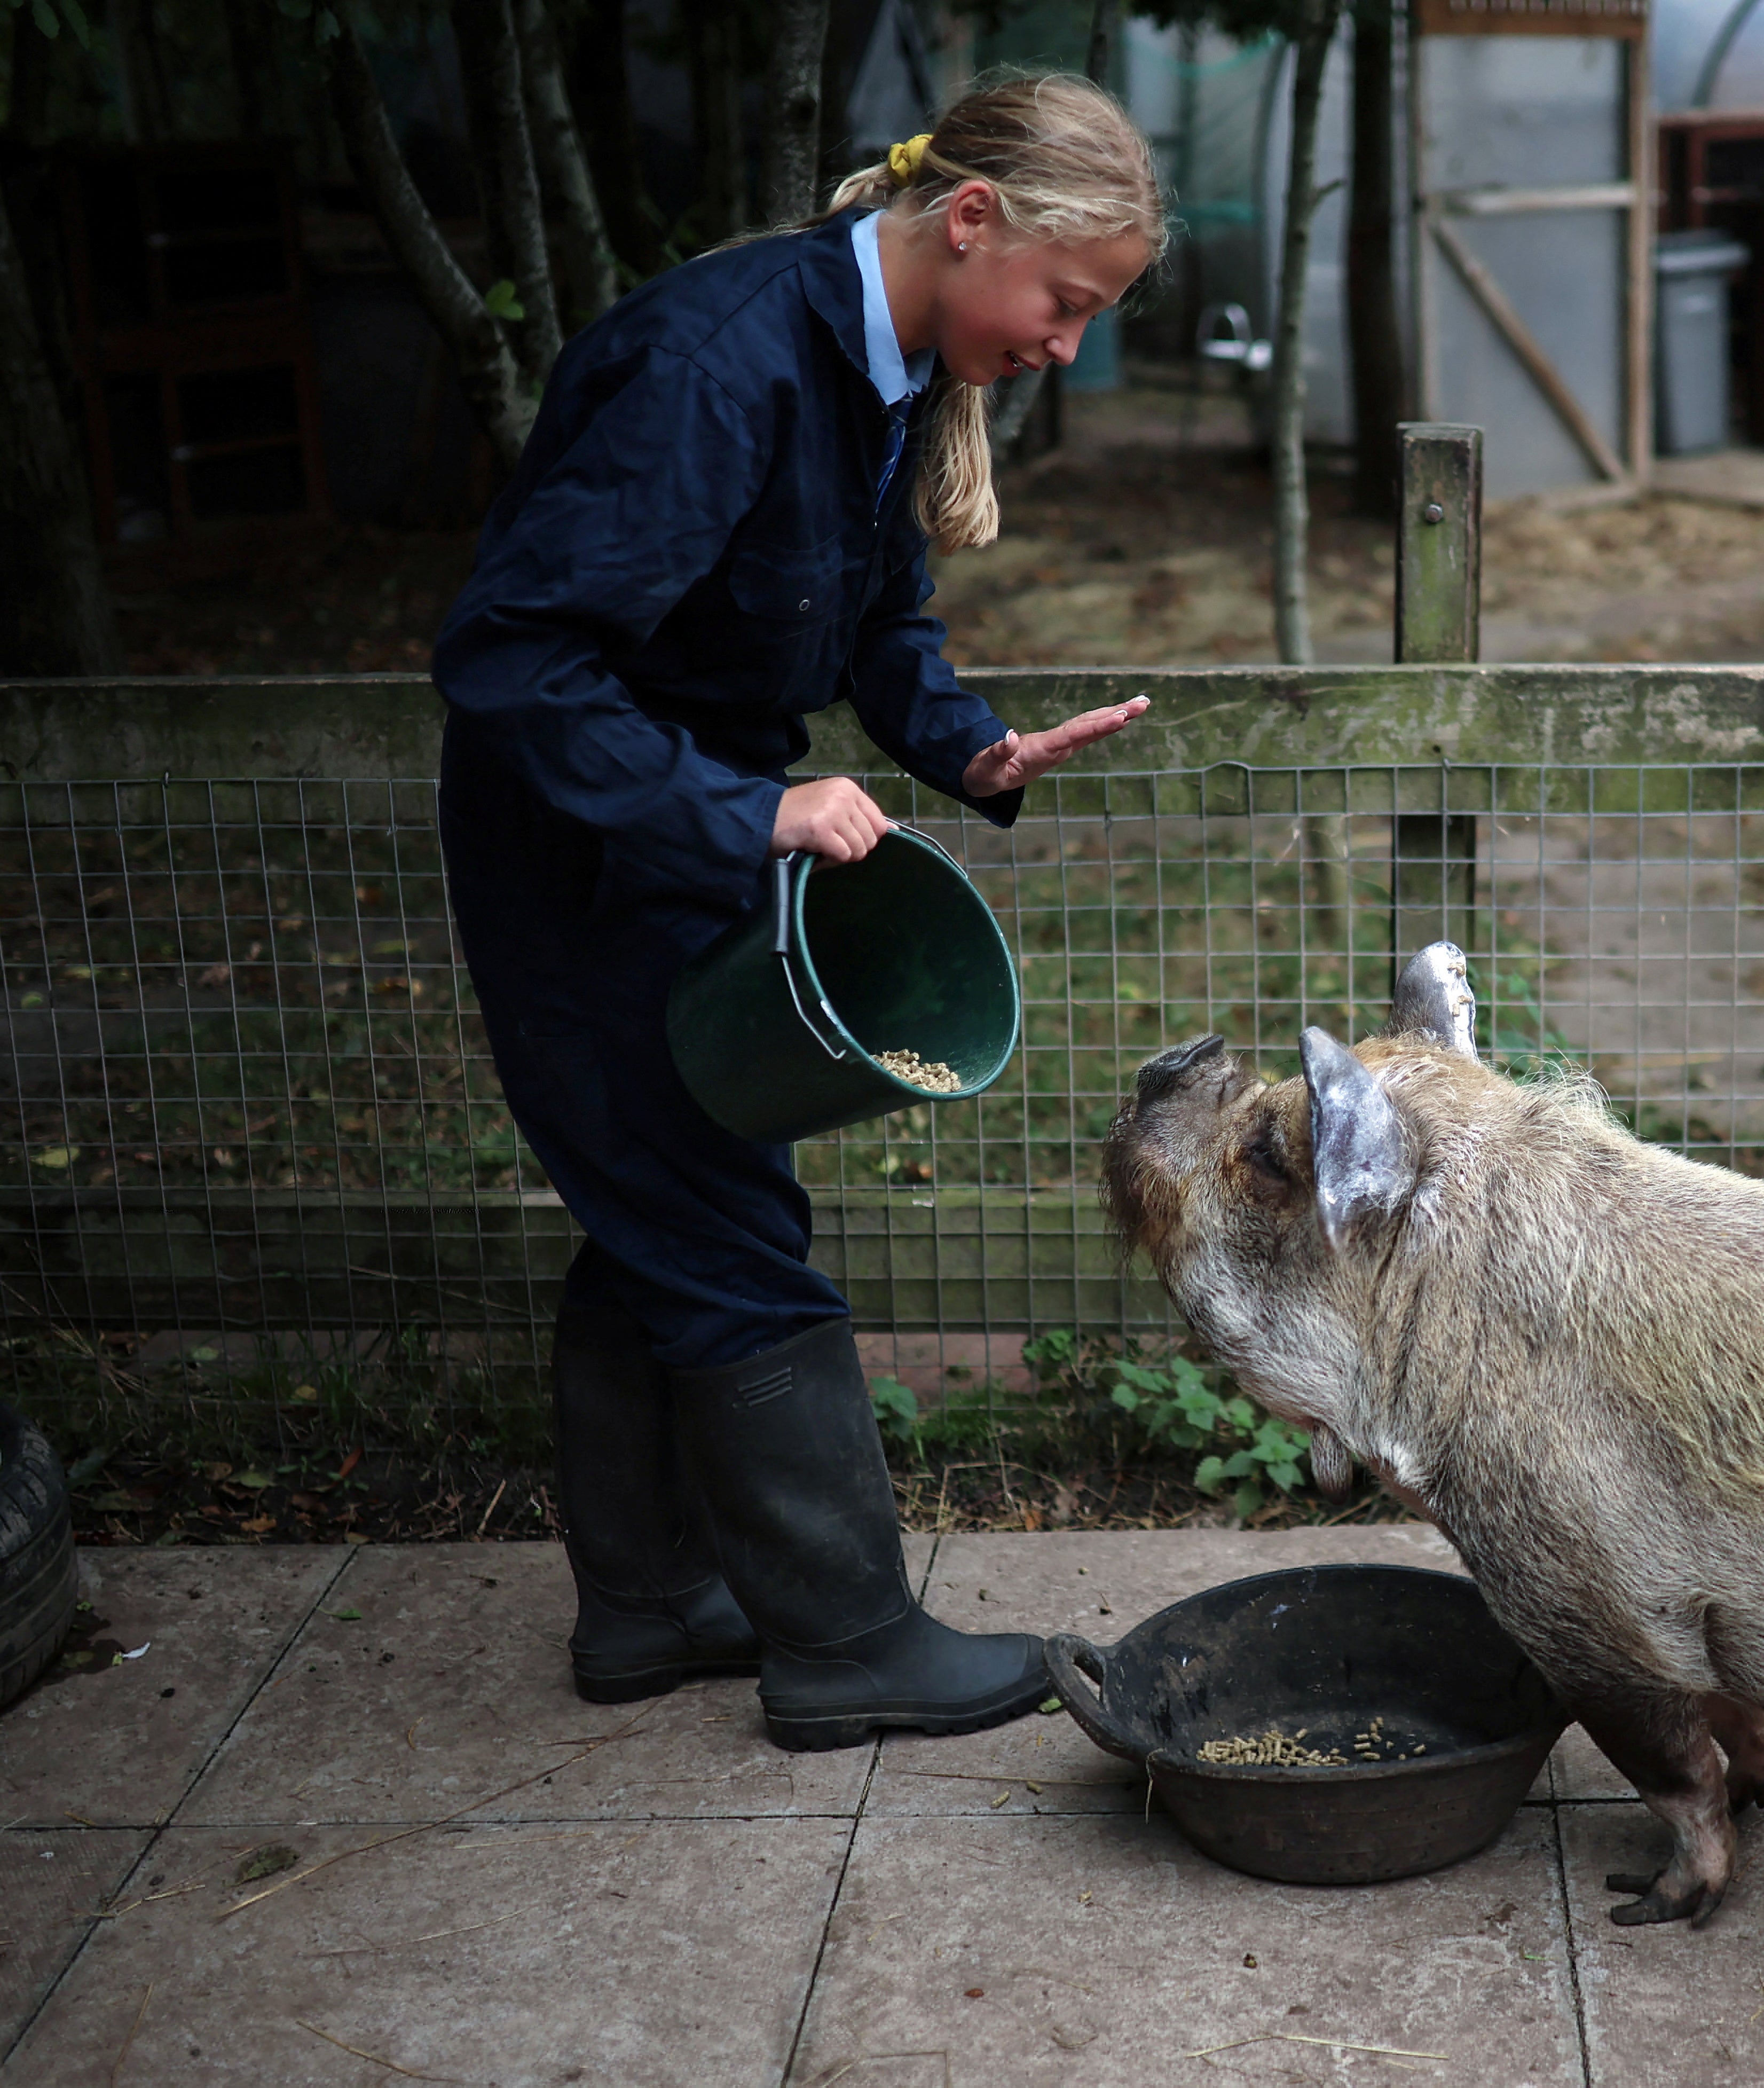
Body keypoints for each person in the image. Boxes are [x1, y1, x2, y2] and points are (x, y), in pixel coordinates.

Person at [432, 76, 1161, 1752]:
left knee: (670, 1211)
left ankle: (648, 1605)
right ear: (968, 220)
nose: (1063, 345)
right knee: (730, 1241)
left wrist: (964, 741)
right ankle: (840, 1640)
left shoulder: (880, 371)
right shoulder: (715, 365)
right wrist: (741, 810)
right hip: (588, 856)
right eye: (1065, 304)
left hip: (682, 853)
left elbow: (872, 603)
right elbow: (513, 659)